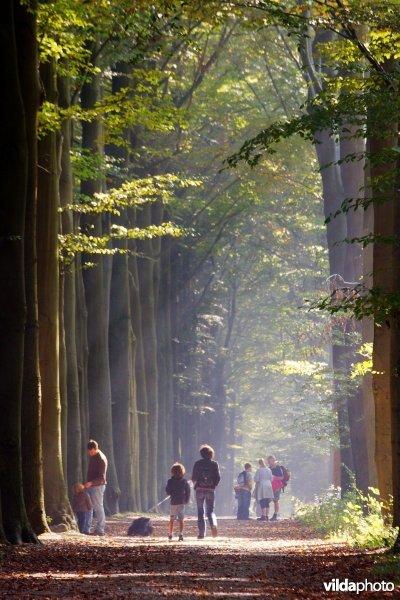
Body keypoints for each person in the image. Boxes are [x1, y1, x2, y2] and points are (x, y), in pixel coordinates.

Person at [191, 444, 220, 539]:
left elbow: (194, 477)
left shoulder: (197, 463)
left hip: (199, 489)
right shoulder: (214, 464)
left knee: (200, 511)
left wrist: (196, 484)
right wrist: (213, 485)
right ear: (211, 453)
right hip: (210, 489)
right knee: (210, 511)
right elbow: (218, 478)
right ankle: (213, 525)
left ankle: (201, 533)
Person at [84, 440, 108, 536]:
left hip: (98, 486)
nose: (90, 453)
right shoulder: (94, 457)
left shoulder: (101, 459)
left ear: (95, 448)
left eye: (91, 451)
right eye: (89, 451)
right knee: (90, 507)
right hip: (92, 485)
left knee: (98, 507)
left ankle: (100, 529)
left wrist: (91, 482)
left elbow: (102, 478)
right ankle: (87, 528)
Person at [166, 462, 191, 541]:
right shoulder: (184, 481)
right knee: (181, 519)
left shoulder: (170, 481)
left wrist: (170, 493)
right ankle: (180, 533)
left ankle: (170, 533)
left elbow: (167, 491)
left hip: (173, 502)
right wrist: (187, 500)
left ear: (172, 471)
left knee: (172, 519)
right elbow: (188, 491)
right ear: (182, 472)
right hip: (181, 502)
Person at [267, 455, 284, 521]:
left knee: (275, 501)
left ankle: (275, 515)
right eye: (268, 461)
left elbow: (281, 477)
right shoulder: (268, 469)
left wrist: (274, 477)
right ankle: (265, 515)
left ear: (274, 461)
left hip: (277, 487)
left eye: (270, 461)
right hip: (269, 487)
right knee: (267, 500)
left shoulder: (278, 468)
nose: (269, 463)